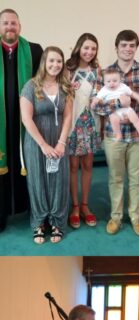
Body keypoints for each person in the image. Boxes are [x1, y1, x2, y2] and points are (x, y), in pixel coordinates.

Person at [91, 30, 139, 237]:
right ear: (116, 47)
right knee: (116, 177)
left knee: (137, 178)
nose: (128, 49)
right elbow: (95, 105)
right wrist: (117, 104)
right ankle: (116, 217)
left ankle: (136, 217)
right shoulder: (104, 73)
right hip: (114, 136)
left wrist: (137, 118)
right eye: (124, 45)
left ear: (136, 47)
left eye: (132, 45)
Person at [20, 47, 73, 244]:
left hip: (59, 141)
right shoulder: (30, 86)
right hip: (36, 142)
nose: (55, 65)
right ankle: (39, 223)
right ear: (44, 62)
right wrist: (43, 145)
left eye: (59, 61)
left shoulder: (65, 86)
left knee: (59, 180)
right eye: (51, 61)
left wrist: (61, 143)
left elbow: (68, 116)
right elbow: (26, 118)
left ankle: (57, 221)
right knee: (38, 180)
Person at [0, 8, 41, 233]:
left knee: (28, 163)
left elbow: (45, 80)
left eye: (13, 23)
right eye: (5, 23)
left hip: (26, 121)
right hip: (0, 123)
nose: (10, 27)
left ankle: (28, 208)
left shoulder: (34, 51)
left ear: (20, 26)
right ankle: (1, 212)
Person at [65, 33, 102, 230]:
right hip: (72, 124)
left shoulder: (97, 70)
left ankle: (86, 205)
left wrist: (102, 126)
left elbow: (101, 96)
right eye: (86, 47)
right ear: (79, 47)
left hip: (91, 124)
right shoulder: (68, 69)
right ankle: (75, 207)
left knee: (88, 165)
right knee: (73, 166)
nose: (89, 52)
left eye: (93, 49)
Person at [91, 69, 139, 140]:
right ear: (104, 82)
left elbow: (132, 93)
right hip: (114, 111)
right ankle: (118, 134)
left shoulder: (123, 86)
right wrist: (93, 102)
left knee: (135, 118)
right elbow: (97, 98)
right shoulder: (104, 90)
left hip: (126, 109)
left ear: (120, 80)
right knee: (113, 120)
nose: (112, 83)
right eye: (108, 81)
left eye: (115, 81)